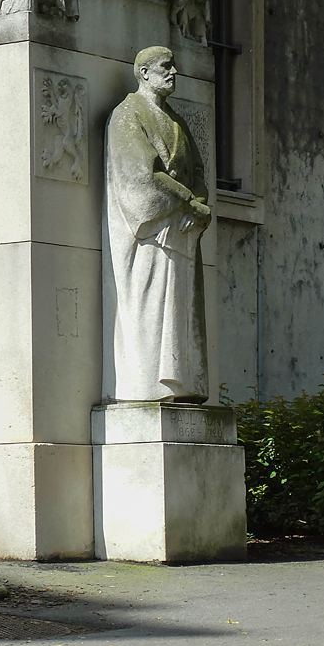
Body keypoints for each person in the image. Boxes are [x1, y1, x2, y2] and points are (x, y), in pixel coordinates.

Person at [102, 46, 211, 403]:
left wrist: (199, 207)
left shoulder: (176, 122)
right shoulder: (127, 115)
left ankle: (180, 385)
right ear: (143, 73)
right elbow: (140, 175)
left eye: (174, 65)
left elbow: (198, 175)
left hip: (180, 230)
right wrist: (187, 200)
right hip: (150, 231)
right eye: (166, 66)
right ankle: (148, 389)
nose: (174, 71)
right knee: (149, 306)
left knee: (180, 313)